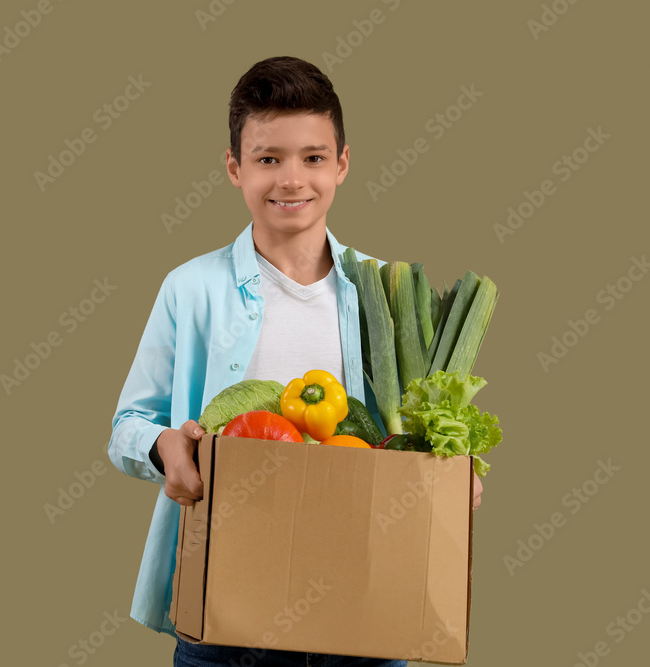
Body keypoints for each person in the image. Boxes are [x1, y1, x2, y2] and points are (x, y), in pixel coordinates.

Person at [108, 55, 483, 667]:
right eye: (267, 159)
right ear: (234, 168)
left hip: (366, 601)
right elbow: (127, 424)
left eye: (312, 157)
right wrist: (163, 448)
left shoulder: (385, 295)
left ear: (341, 164)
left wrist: (448, 474)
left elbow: (410, 437)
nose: (291, 180)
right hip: (226, 607)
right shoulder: (190, 288)